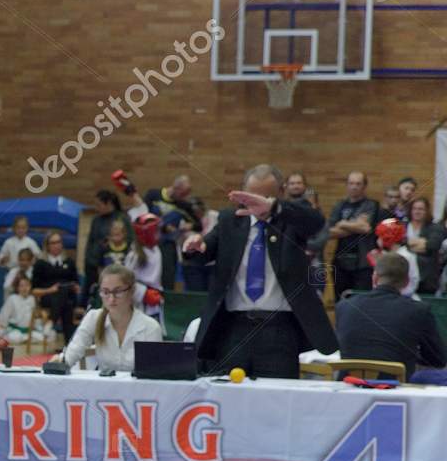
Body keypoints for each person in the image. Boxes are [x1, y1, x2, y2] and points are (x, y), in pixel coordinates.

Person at [185, 164, 337, 379]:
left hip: (279, 330)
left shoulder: (292, 220)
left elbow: (316, 222)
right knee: (229, 390)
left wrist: (273, 208)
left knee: (278, 393)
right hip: (234, 328)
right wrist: (193, 248)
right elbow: (205, 250)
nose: (257, 203)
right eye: (252, 196)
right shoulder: (230, 220)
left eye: (266, 197)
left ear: (281, 193)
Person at [335, 252, 447, 383]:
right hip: (395, 388)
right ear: (407, 282)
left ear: (375, 278)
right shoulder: (419, 310)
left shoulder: (344, 306)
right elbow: (438, 359)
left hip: (348, 385)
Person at [56, 265, 162, 371]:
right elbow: (71, 355)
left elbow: (154, 373)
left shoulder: (151, 327)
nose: (111, 299)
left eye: (118, 292)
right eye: (106, 292)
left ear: (132, 291)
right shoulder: (93, 317)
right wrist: (58, 363)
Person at [322, 171, 379, 300]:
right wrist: (356, 225)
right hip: (340, 262)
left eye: (358, 184)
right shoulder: (340, 205)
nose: (354, 187)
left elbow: (366, 228)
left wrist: (342, 223)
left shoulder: (371, 205)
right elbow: (329, 231)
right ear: (347, 185)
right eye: (351, 183)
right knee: (340, 301)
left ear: (364, 186)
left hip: (363, 263)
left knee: (361, 300)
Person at [32, 231, 79, 340]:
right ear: (47, 246)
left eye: (59, 242)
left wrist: (75, 287)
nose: (57, 245)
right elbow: (34, 290)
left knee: (65, 294)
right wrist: (50, 290)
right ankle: (69, 344)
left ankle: (51, 322)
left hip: (68, 295)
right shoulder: (40, 264)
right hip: (48, 297)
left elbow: (76, 283)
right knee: (65, 301)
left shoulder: (69, 262)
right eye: (53, 243)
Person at [403, 196, 443, 295]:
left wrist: (406, 245)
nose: (417, 211)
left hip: (426, 278)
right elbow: (396, 244)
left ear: (427, 211)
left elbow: (432, 245)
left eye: (421, 209)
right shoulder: (402, 225)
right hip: (403, 275)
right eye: (414, 208)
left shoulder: (436, 228)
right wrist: (418, 243)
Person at [0, 273, 42, 344]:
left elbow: (35, 317)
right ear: (17, 288)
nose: (25, 288)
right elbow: (3, 316)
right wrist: (1, 327)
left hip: (27, 331)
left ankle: (25, 339)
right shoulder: (12, 298)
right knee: (15, 337)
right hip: (15, 331)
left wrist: (37, 326)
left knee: (42, 337)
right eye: (21, 286)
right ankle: (24, 339)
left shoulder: (32, 299)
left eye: (27, 285)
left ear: (30, 286)